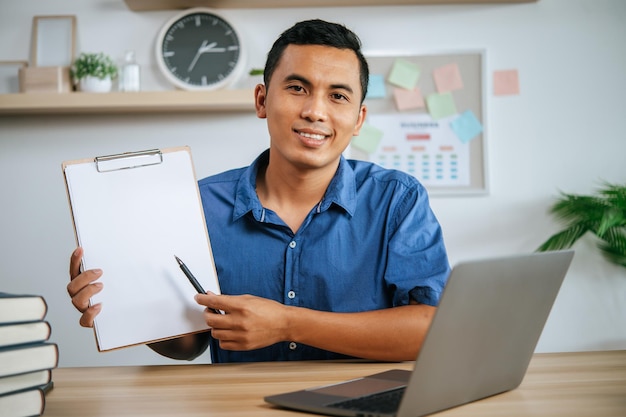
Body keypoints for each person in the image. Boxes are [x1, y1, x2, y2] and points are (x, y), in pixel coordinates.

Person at [67, 19, 450, 363]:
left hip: (362, 402)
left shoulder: (397, 199)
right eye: (298, 88)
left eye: (338, 96)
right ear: (262, 100)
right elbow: (189, 345)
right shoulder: (197, 204)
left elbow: (429, 330)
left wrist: (287, 323)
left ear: (358, 119)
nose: (316, 111)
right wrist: (125, 306)